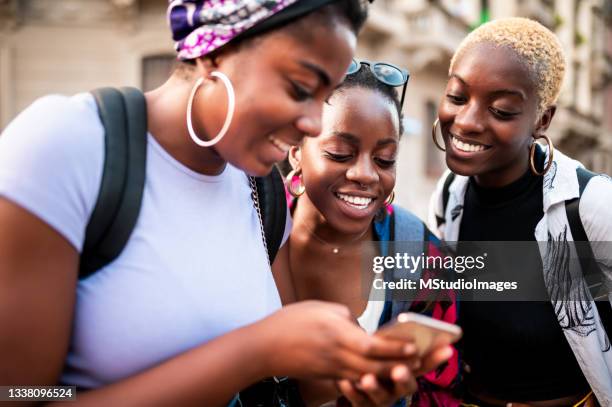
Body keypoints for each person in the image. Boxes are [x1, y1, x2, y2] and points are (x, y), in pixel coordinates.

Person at [0, 1, 439, 406]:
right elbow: (17, 394)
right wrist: (251, 354)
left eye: (322, 98)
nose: (310, 122)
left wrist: (354, 368)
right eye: (299, 88)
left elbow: (291, 383)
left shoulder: (262, 190)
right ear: (216, 50)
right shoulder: (68, 144)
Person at [428, 17, 612, 406]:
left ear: (542, 119)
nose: (467, 121)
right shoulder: (447, 196)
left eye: (501, 110)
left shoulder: (590, 204)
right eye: (457, 97)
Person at [277, 59, 457, 407]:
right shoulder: (253, 231)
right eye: (340, 154)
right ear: (296, 151)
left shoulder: (424, 259)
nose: (365, 174)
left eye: (385, 159)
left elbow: (441, 393)